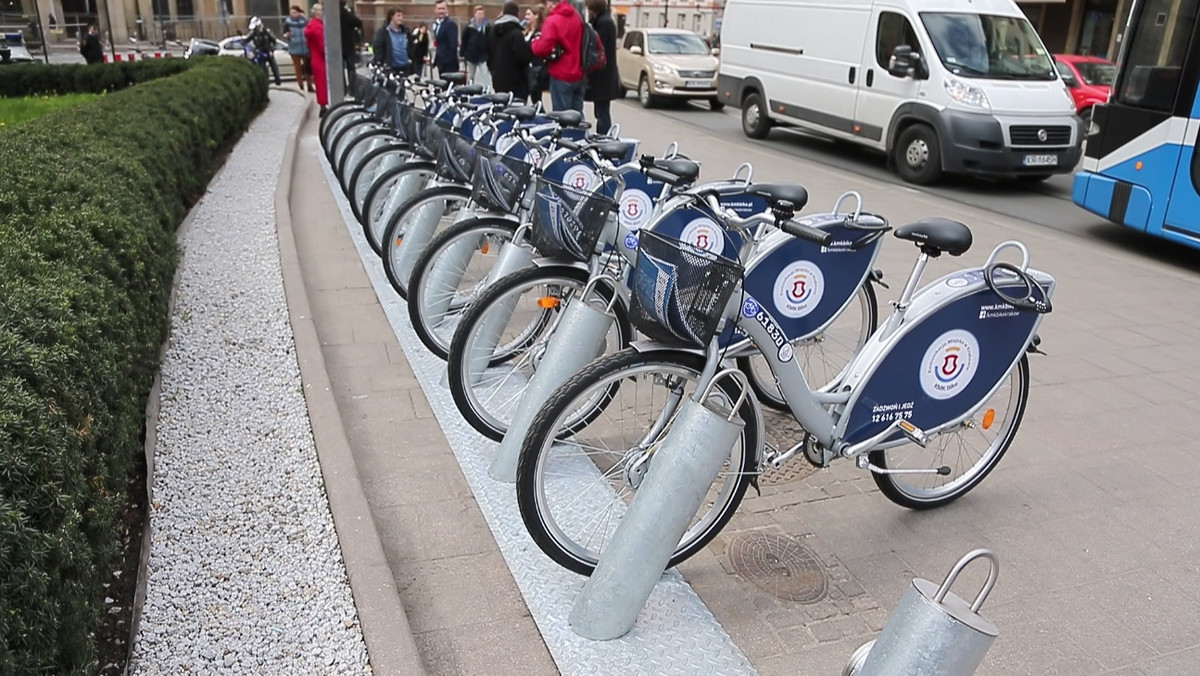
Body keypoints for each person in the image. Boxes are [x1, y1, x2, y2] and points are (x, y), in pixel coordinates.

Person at [531, 0, 585, 113]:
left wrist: (534, 43)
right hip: (579, 71)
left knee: (562, 116)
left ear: (550, 4)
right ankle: (578, 131)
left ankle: (566, 131)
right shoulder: (576, 16)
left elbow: (543, 48)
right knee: (577, 117)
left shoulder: (552, 21)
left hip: (561, 73)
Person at [584, 0, 618, 134]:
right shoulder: (603, 20)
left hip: (603, 76)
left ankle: (604, 137)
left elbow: (597, 46)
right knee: (601, 110)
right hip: (603, 75)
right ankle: (603, 135)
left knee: (602, 112)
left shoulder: (604, 23)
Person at [487, 1, 530, 101]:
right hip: (516, 80)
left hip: (498, 78)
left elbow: (488, 52)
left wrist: (493, 69)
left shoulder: (493, 31)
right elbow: (523, 57)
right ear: (517, 14)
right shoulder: (516, 33)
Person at [305, 4, 329, 116]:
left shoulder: (312, 25)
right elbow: (322, 45)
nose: (321, 12)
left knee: (320, 83)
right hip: (320, 59)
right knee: (322, 83)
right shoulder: (317, 26)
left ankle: (322, 105)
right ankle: (324, 106)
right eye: (319, 10)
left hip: (315, 57)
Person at [372, 8, 413, 75]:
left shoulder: (406, 31)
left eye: (402, 16)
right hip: (391, 67)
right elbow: (378, 47)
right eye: (398, 16)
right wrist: (382, 62)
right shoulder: (383, 32)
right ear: (391, 16)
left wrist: (410, 58)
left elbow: (411, 45)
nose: (401, 18)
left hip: (405, 66)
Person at [283, 6, 313, 92]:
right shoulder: (287, 22)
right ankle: (301, 86)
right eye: (292, 13)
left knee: (308, 68)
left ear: (299, 12)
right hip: (294, 48)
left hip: (305, 47)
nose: (293, 14)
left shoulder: (305, 21)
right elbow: (284, 33)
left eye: (295, 12)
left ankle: (309, 85)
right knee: (298, 68)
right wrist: (287, 35)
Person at [460, 5, 491, 87]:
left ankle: (488, 90)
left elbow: (490, 40)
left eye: (482, 14)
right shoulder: (469, 27)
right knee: (471, 75)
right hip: (471, 54)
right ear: (475, 14)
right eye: (478, 14)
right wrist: (462, 54)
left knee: (485, 73)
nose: (480, 16)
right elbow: (464, 40)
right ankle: (469, 89)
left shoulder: (487, 26)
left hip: (483, 54)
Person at [247, 17, 282, 86]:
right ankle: (265, 82)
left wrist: (271, 50)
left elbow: (274, 41)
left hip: (268, 51)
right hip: (260, 52)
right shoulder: (254, 33)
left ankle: (278, 82)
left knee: (274, 67)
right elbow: (247, 40)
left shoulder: (267, 32)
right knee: (262, 68)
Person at [524, 6, 548, 107]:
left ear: (536, 16)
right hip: (527, 67)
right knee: (532, 97)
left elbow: (536, 49)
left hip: (536, 67)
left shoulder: (540, 32)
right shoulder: (526, 31)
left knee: (536, 96)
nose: (526, 17)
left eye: (529, 14)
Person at [339, 0, 364, 93]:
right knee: (351, 68)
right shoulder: (346, 14)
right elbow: (358, 22)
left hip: (338, 45)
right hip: (349, 45)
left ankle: (342, 88)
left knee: (340, 68)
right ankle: (353, 88)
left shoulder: (334, 15)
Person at [430, 0, 459, 77]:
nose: (441, 11)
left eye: (443, 9)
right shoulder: (437, 24)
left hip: (449, 64)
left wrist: (447, 60)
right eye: (439, 9)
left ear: (447, 10)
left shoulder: (451, 24)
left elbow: (453, 45)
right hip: (441, 61)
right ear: (435, 10)